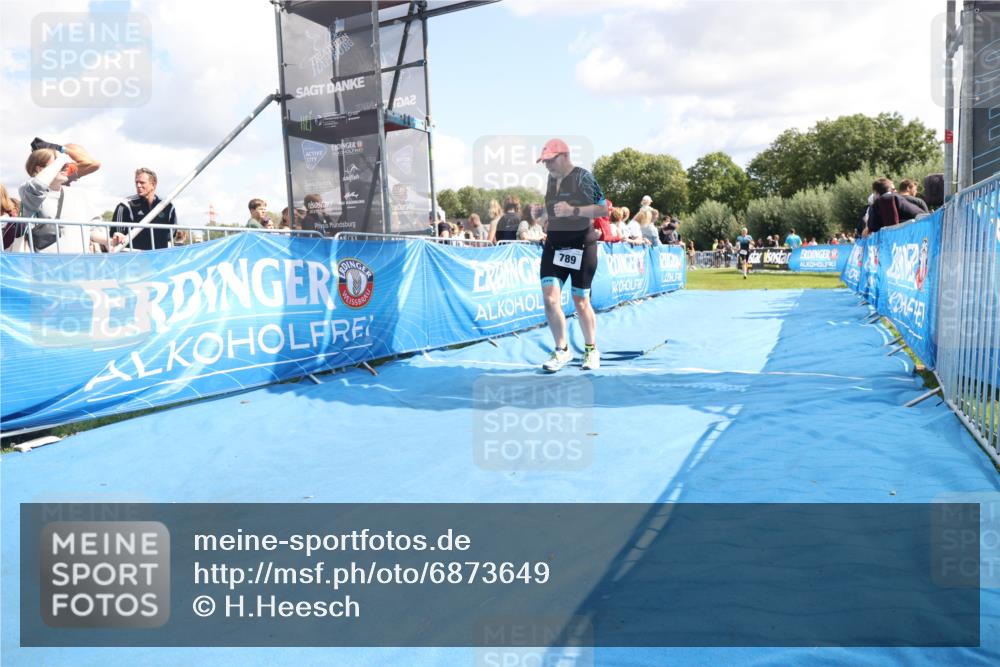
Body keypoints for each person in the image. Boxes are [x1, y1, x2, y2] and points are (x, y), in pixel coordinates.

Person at [535, 138, 606, 372]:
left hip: (582, 247)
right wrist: (545, 216)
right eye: (544, 162)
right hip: (555, 246)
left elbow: (603, 209)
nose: (547, 166)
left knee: (581, 301)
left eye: (550, 161)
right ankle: (561, 350)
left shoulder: (583, 177)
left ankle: (591, 349)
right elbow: (554, 207)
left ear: (564, 156)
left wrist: (572, 210)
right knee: (550, 299)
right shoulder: (550, 179)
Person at [18, 143, 109, 253]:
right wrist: (61, 159)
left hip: (78, 266)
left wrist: (111, 240)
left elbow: (91, 230)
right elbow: (37, 185)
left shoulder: (80, 195)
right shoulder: (28, 192)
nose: (67, 165)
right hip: (46, 267)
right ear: (39, 169)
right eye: (56, 161)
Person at [112, 167, 178, 250]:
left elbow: (172, 234)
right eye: (136, 182)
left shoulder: (168, 206)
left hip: (159, 258)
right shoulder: (125, 205)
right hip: (133, 258)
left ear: (153, 185)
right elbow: (116, 236)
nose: (138, 185)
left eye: (142, 183)